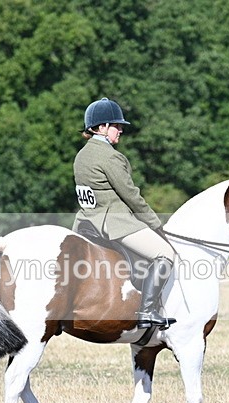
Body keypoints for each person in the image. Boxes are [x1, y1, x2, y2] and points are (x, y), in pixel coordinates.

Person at [72, 97, 176, 330]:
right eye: (116, 126)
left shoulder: (81, 156)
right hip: (113, 222)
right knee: (165, 253)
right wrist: (155, 225)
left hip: (85, 221)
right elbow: (131, 196)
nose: (120, 130)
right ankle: (147, 311)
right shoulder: (110, 156)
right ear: (100, 128)